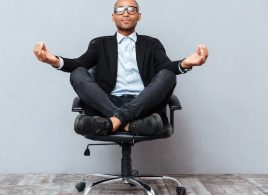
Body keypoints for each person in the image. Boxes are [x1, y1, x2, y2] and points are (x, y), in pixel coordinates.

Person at [33, 0, 208, 136]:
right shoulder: (100, 43)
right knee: (78, 73)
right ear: (113, 16)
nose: (126, 13)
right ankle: (127, 124)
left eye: (131, 9)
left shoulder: (152, 44)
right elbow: (80, 64)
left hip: (143, 103)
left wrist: (185, 63)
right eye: (120, 10)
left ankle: (110, 123)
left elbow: (165, 67)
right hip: (108, 102)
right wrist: (53, 60)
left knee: (168, 75)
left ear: (139, 16)